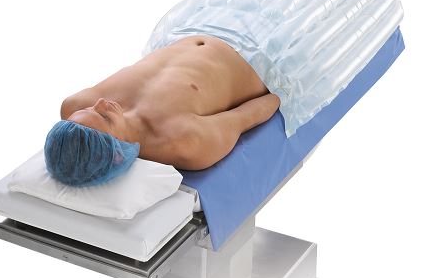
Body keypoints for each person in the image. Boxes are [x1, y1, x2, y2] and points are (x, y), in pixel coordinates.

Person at [44, 34, 280, 186]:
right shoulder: (185, 141)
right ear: (117, 153)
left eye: (91, 108)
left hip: (193, 26)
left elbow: (76, 123)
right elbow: (248, 116)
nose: (102, 103)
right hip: (262, 50)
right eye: (105, 117)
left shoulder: (75, 107)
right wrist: (289, 90)